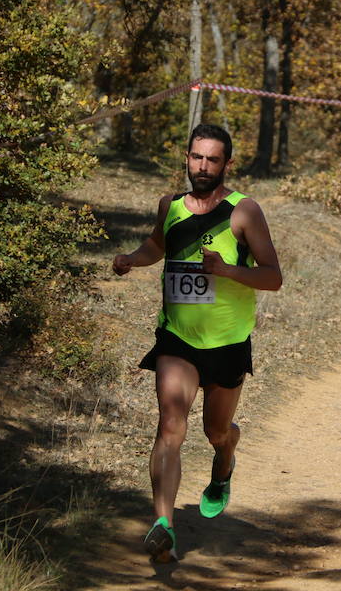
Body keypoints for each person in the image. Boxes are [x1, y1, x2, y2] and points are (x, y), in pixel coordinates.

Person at [112, 123, 282, 562]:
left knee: (215, 431)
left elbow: (272, 277)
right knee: (170, 423)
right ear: (186, 158)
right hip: (178, 337)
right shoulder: (170, 205)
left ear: (226, 164)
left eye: (211, 159)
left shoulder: (244, 211)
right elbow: (157, 243)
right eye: (195, 157)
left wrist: (227, 271)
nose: (202, 166)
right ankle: (163, 524)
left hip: (227, 341)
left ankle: (225, 460)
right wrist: (134, 259)